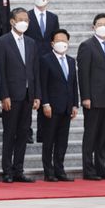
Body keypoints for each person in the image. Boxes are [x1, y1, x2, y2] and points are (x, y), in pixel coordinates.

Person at [0, 7, 41, 183]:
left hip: (28, 95)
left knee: (23, 133)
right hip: (11, 96)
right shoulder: (3, 41)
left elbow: (35, 69)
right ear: (12, 21)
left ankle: (18, 170)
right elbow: (1, 71)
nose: (24, 22)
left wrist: (37, 95)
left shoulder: (31, 42)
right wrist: (4, 95)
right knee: (10, 133)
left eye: (27, 20)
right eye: (20, 19)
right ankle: (7, 170)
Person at [77, 13, 105, 181]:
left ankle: (101, 168)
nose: (103, 26)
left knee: (103, 135)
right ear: (93, 26)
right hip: (93, 98)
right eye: (100, 23)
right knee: (91, 134)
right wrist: (85, 96)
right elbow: (83, 73)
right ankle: (88, 169)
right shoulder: (87, 46)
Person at [40, 29, 78, 182]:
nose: (62, 43)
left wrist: (75, 104)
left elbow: (74, 84)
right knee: (49, 140)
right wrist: (45, 103)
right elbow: (43, 83)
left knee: (63, 141)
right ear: (52, 43)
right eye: (58, 40)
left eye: (64, 40)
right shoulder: (46, 59)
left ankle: (59, 170)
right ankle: (48, 172)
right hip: (51, 107)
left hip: (67, 107)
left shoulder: (71, 60)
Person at [25, 0, 60, 143]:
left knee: (45, 95)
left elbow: (56, 38)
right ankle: (26, 132)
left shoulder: (53, 17)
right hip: (30, 61)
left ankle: (43, 133)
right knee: (28, 96)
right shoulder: (26, 16)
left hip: (47, 62)